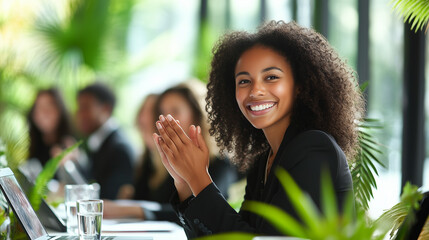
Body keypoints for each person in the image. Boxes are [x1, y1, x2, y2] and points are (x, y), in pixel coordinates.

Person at [153, 21, 364, 237]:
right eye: (244, 81)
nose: (256, 90)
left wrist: (199, 178)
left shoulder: (314, 148)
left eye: (271, 77)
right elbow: (235, 234)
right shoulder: (264, 160)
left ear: (300, 85)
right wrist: (184, 182)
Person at [104, 86, 238, 221]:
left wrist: (136, 210)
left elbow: (207, 214)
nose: (167, 120)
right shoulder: (162, 159)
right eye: (162, 112)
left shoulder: (220, 162)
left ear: (197, 115)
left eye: (175, 111)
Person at [76, 83, 134, 200]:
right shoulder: (101, 142)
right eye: (79, 108)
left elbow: (108, 198)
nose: (79, 114)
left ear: (106, 109)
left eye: (85, 107)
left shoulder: (118, 148)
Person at [27, 88, 78, 181]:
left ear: (60, 110)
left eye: (48, 108)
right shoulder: (34, 143)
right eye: (38, 108)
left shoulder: (71, 144)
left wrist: (68, 165)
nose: (43, 113)